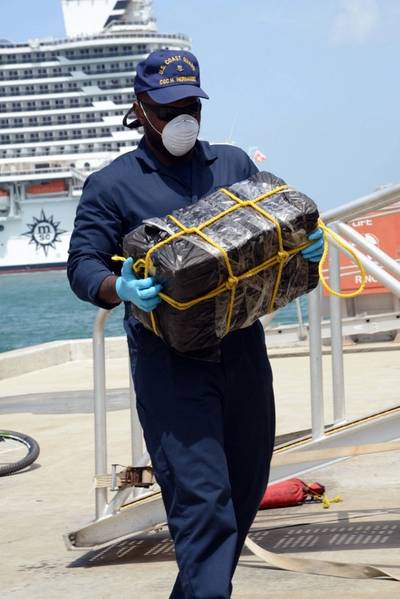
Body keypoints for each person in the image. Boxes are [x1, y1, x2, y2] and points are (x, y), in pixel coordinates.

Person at [67, 49, 324, 599]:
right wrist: (120, 287)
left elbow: (274, 234)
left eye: (192, 105)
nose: (182, 117)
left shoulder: (233, 166)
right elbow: (82, 264)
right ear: (140, 109)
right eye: (168, 107)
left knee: (246, 487)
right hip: (171, 369)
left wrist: (307, 250)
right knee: (203, 504)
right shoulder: (111, 186)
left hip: (243, 354)